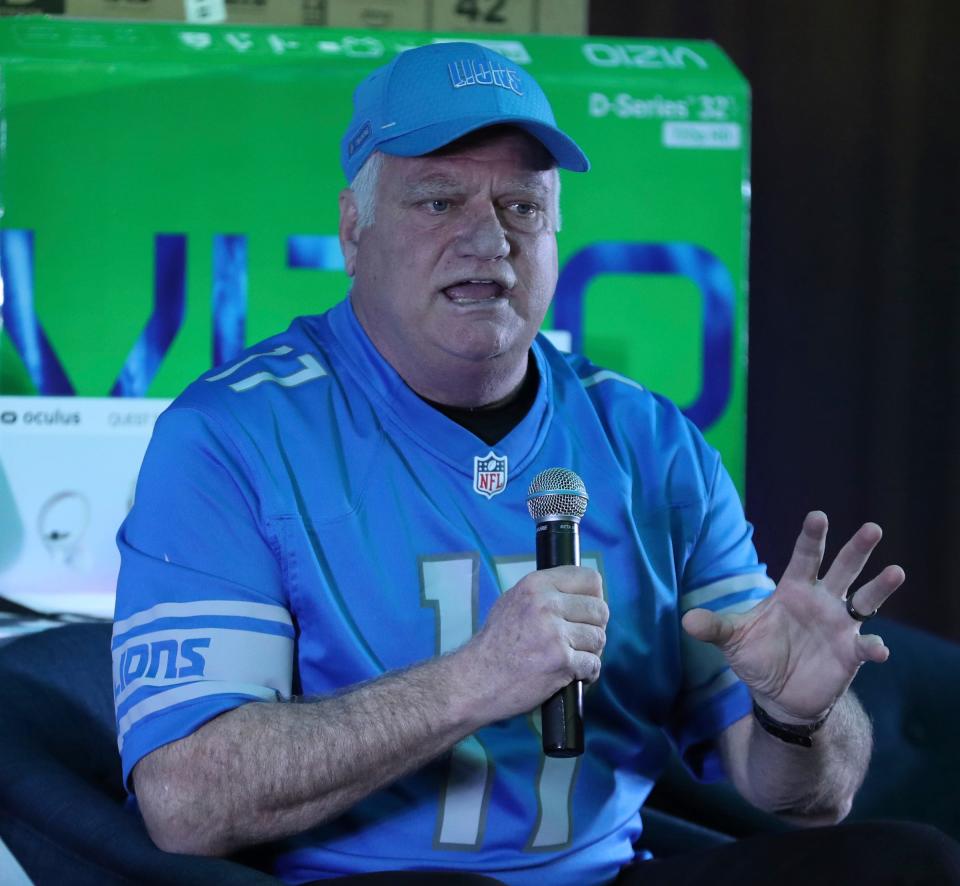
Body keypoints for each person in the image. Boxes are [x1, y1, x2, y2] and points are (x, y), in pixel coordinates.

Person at [111, 42, 958, 885]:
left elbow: (804, 797)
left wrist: (795, 720)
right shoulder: (230, 435)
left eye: (523, 206)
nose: (489, 239)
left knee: (910, 863)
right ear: (352, 227)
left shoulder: (649, 439)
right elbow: (186, 800)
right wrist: (475, 682)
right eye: (439, 202)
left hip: (609, 874)